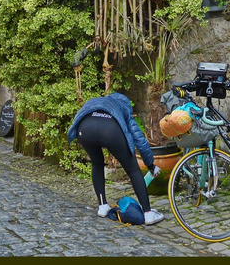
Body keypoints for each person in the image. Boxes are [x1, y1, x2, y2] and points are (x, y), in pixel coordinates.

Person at [66, 92, 164, 225]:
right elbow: (140, 140)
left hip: (84, 129)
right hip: (109, 130)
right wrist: (150, 166)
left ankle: (102, 206)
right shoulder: (123, 107)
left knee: (97, 163)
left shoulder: (97, 100)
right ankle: (148, 213)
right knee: (133, 170)